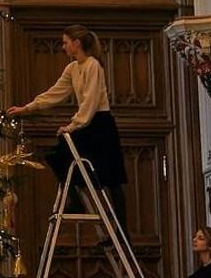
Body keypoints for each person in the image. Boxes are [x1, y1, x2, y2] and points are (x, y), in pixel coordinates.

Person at [7, 24, 128, 239]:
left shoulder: (93, 66)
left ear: (76, 43)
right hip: (86, 123)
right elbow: (55, 93)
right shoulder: (72, 69)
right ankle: (77, 199)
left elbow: (90, 102)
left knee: (111, 179)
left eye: (65, 43)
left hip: (99, 124)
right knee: (58, 156)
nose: (63, 47)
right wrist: (27, 108)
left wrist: (73, 126)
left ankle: (121, 233)